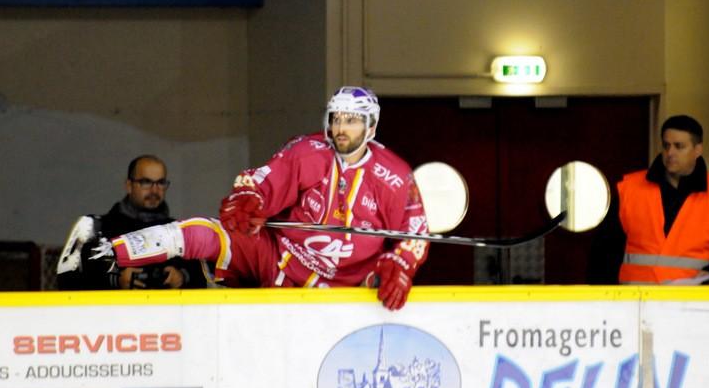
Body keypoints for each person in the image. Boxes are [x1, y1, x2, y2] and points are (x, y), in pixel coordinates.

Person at [93, 86, 430, 309]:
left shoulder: (395, 176)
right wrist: (248, 199)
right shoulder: (306, 150)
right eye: (336, 119)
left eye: (352, 121)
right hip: (279, 258)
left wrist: (401, 264)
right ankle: (106, 253)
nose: (341, 128)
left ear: (371, 126)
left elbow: (415, 233)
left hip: (346, 289)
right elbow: (262, 182)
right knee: (203, 232)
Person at [588, 115, 709, 285]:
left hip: (693, 300)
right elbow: (603, 252)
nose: (670, 153)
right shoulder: (631, 190)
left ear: (698, 150)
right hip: (637, 299)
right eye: (666, 145)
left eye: (679, 146)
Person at [56, 155, 208, 289]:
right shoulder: (95, 228)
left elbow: (202, 282)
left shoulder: (180, 233)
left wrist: (182, 278)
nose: (155, 190)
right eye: (146, 182)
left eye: (161, 183)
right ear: (129, 185)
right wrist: (116, 280)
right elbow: (66, 282)